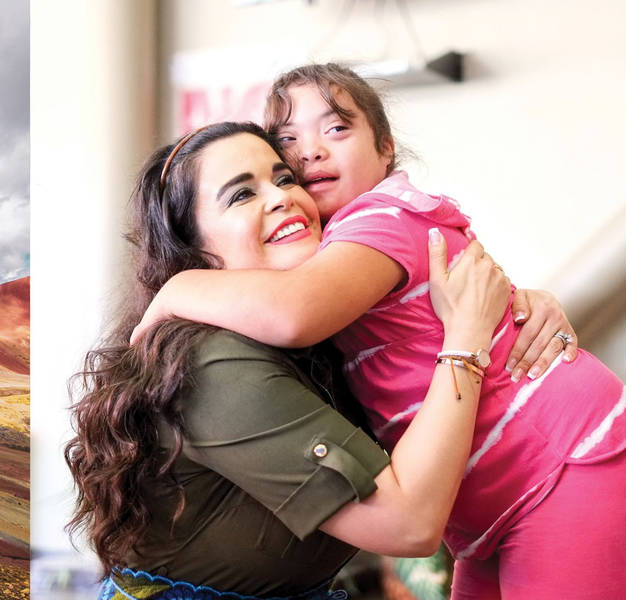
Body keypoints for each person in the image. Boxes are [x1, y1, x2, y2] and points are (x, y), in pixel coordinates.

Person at [136, 66, 626, 595]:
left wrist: (176, 290)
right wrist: (469, 336)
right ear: (190, 243)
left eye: (336, 129)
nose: (308, 156)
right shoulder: (227, 353)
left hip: (561, 464)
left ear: (386, 148)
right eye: (289, 143)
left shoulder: (379, 220)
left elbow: (295, 310)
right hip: (497, 503)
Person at [68, 123, 511, 598]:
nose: (282, 198)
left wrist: (529, 307)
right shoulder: (211, 364)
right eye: (241, 195)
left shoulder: (321, 330)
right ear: (193, 248)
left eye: (285, 179)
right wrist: (466, 339)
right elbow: (407, 525)